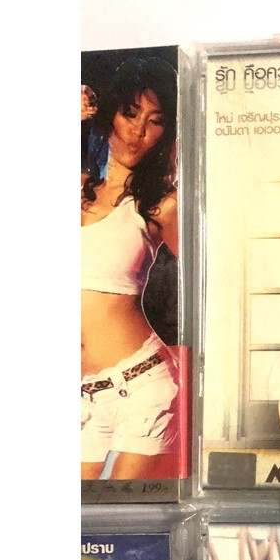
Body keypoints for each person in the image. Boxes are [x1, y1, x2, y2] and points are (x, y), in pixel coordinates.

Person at [81, 56, 180, 480]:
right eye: (130, 113)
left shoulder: (160, 205)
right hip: (84, 398)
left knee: (120, 517)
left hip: (142, 388)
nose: (138, 131)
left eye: (155, 122)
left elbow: (216, 269)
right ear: (109, 115)